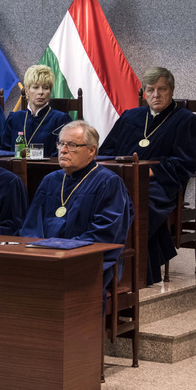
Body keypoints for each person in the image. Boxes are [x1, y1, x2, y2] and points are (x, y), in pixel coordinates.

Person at [100, 67, 196, 284]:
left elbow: (186, 163)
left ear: (171, 91)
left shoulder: (185, 119)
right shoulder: (130, 116)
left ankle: (127, 272)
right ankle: (100, 263)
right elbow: (105, 152)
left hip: (160, 185)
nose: (156, 95)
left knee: (136, 204)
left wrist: (150, 170)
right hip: (121, 180)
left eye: (162, 89)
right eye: (150, 90)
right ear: (143, 92)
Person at [20, 120, 134, 299]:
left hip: (86, 261)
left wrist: (63, 252)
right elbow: (31, 225)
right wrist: (39, 253)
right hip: (46, 258)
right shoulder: (50, 180)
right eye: (61, 143)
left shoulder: (108, 182)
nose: (63, 150)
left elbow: (106, 233)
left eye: (72, 145)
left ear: (91, 150)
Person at [2, 65, 72, 156]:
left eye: (46, 88)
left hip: (48, 169)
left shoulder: (61, 120)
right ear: (27, 91)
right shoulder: (14, 118)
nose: (41, 92)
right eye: (35, 87)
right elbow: (4, 151)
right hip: (15, 169)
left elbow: (64, 153)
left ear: (50, 92)